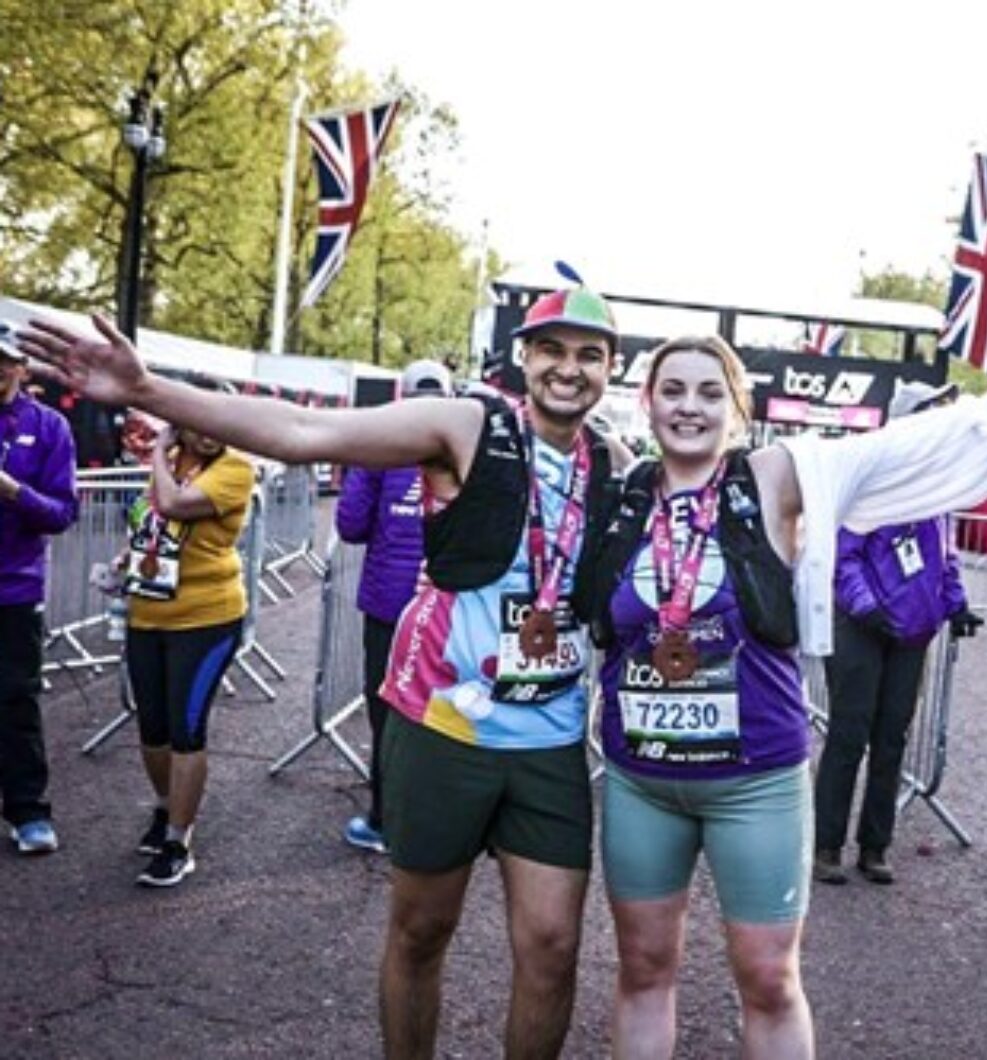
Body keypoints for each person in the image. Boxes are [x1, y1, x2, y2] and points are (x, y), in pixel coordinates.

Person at [17, 284, 632, 1058]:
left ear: (613, 367)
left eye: (589, 354)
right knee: (422, 930)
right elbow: (307, 431)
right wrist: (147, 390)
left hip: (548, 738)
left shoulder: (614, 464)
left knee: (552, 947)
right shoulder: (467, 425)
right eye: (552, 349)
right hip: (443, 725)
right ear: (524, 356)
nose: (568, 369)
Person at [585, 336, 987, 1057]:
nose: (689, 407)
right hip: (642, 782)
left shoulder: (775, 478)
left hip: (753, 784)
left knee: (769, 978)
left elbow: (905, 446)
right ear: (647, 404)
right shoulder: (618, 492)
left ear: (738, 411)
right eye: (672, 390)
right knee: (644, 972)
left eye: (710, 393)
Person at [812, 380, 979, 887]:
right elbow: (844, 553)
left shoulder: (938, 487)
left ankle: (875, 846)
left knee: (892, 740)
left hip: (911, 633)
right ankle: (826, 844)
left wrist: (957, 604)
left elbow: (943, 557)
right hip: (863, 629)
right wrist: (864, 607)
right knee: (848, 734)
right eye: (935, 411)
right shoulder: (872, 476)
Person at [124, 412, 255, 887]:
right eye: (197, 423)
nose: (210, 431)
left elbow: (175, 504)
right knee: (152, 728)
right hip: (148, 612)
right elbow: (148, 520)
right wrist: (122, 564)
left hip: (207, 619)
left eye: (217, 423)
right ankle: (165, 808)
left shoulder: (236, 469)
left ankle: (179, 840)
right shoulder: (174, 461)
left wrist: (158, 449)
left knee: (186, 728)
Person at [335, 358, 453, 855]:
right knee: (446, 711)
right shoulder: (468, 445)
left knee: (387, 710)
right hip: (452, 607)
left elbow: (351, 523)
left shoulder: (379, 447)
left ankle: (385, 819)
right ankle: (443, 821)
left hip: (390, 605)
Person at [0, 320, 77, 855]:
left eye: (4, 359)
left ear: (21, 367)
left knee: (15, 701)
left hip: (14, 591)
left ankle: (28, 811)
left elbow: (61, 513)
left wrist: (12, 491)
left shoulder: (49, 427)